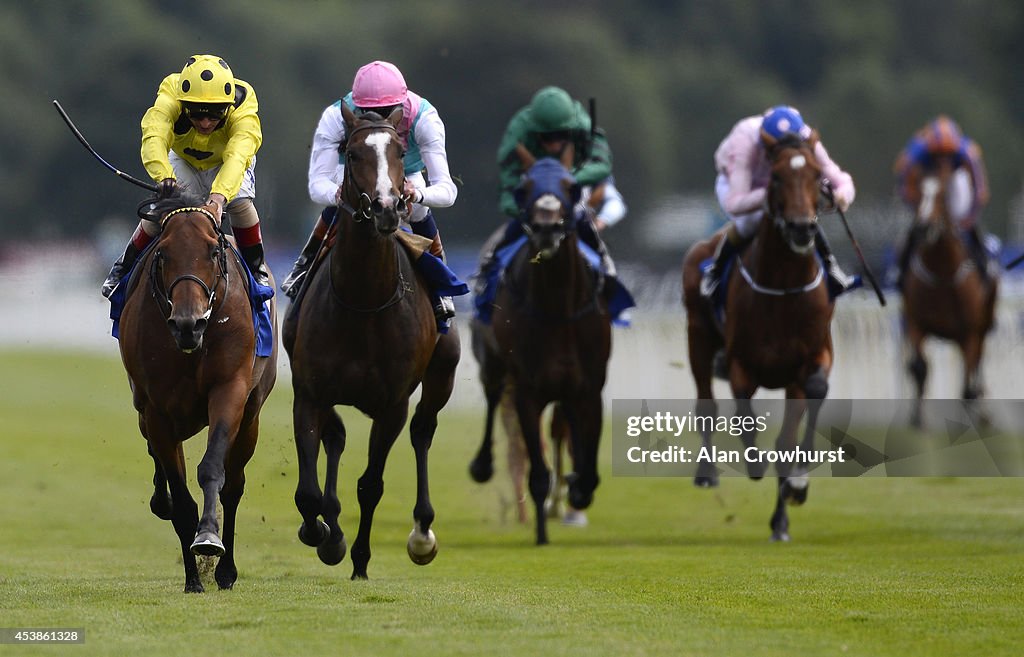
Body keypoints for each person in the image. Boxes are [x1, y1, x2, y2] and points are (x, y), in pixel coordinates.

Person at [281, 60, 459, 321]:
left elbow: (447, 189)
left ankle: (441, 285)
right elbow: (318, 183)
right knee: (340, 201)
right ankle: (304, 266)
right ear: (356, 105)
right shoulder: (335, 117)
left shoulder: (425, 118)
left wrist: (417, 194)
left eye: (387, 111)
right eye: (368, 112)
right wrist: (337, 193)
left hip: (404, 170)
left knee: (419, 208)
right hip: (359, 168)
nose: (377, 118)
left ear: (401, 104)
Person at [102, 54, 268, 298]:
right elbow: (154, 135)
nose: (204, 122)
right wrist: (164, 177)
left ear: (228, 106)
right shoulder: (170, 92)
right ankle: (123, 266)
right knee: (165, 207)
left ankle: (256, 267)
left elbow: (238, 154)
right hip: (184, 159)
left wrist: (219, 198)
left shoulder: (244, 102)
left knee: (241, 203)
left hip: (228, 162)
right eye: (196, 113)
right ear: (183, 103)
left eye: (214, 114)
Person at [700, 105, 857, 300]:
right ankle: (717, 270)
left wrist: (841, 196)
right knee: (751, 221)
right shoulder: (745, 141)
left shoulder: (806, 138)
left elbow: (841, 179)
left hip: (786, 179)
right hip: (739, 184)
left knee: (804, 213)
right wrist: (771, 195)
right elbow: (735, 202)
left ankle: (831, 267)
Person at [478, 86, 617, 288]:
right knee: (513, 230)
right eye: (547, 137)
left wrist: (566, 180)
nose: (554, 143)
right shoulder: (518, 131)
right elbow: (507, 185)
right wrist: (521, 208)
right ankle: (488, 271)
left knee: (586, 226)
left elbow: (603, 164)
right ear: (534, 132)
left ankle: (607, 270)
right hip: (533, 194)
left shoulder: (584, 126)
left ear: (571, 129)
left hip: (569, 192)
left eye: (561, 135)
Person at [892, 115, 993, 285]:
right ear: (931, 151)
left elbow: (979, 190)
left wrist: (969, 217)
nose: (943, 160)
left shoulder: (966, 152)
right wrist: (918, 209)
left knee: (971, 227)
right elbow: (904, 187)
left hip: (956, 178)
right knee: (917, 226)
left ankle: (984, 267)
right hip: (927, 180)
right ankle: (900, 272)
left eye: (948, 155)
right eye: (938, 155)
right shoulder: (916, 152)